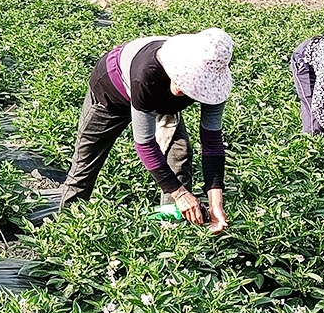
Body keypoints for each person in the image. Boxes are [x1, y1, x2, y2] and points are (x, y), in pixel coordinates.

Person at [59, 28, 233, 233]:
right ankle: (67, 232)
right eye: (182, 77)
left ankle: (172, 234)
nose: (180, 88)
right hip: (111, 96)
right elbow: (145, 144)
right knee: (84, 167)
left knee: (179, 154)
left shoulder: (213, 86)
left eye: (191, 86)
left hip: (161, 101)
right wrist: (180, 194)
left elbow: (212, 143)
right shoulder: (146, 74)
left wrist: (216, 204)